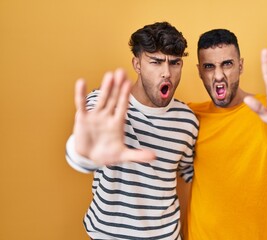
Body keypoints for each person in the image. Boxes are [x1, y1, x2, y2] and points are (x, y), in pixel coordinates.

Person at [65, 22, 199, 240]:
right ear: (137, 64)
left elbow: (186, 177)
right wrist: (82, 152)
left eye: (175, 63)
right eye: (155, 62)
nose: (167, 73)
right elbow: (84, 150)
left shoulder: (187, 120)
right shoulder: (105, 105)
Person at [185, 29, 267, 239]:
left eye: (227, 64)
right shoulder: (190, 115)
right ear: (200, 71)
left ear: (241, 66)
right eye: (209, 66)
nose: (218, 75)